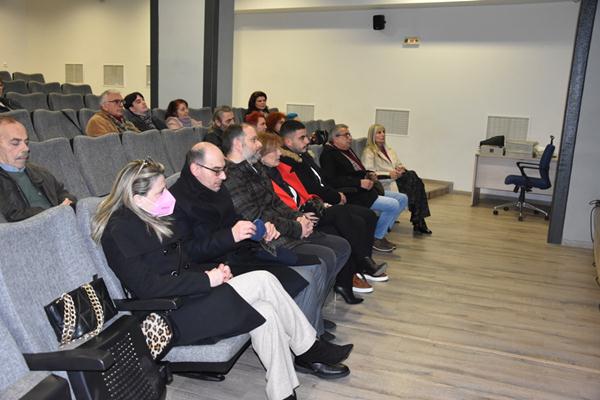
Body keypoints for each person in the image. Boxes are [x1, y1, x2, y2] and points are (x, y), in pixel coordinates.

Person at [92, 159, 353, 400]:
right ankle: (309, 348)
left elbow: (182, 262)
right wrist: (207, 280)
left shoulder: (149, 216)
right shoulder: (119, 232)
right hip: (167, 315)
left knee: (267, 311)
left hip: (188, 299)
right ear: (137, 199)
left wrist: (213, 272)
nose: (168, 197)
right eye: (160, 192)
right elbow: (147, 287)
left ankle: (283, 393)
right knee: (263, 280)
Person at [170, 142, 328, 329]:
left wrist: (257, 228)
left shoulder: (215, 187)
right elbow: (188, 252)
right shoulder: (175, 202)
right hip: (218, 268)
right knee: (302, 279)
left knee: (313, 266)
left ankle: (311, 333)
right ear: (196, 169)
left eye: (224, 169)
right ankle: (307, 337)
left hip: (242, 253)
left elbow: (234, 219)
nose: (224, 176)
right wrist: (231, 235)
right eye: (217, 171)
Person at [222, 123, 351, 338]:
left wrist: (299, 217)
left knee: (342, 247)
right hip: (266, 242)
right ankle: (310, 333)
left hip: (283, 229)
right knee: (324, 258)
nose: (259, 144)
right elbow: (255, 217)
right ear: (237, 144)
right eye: (254, 140)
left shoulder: (254, 167)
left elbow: (276, 203)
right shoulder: (231, 177)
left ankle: (311, 313)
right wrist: (297, 227)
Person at [258, 131, 389, 303]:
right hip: (296, 222)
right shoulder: (264, 177)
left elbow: (304, 193)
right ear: (260, 154)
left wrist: (318, 203)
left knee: (351, 223)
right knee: (342, 216)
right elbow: (277, 207)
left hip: (308, 212)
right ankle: (361, 265)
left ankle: (350, 277)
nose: (279, 153)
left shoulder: (283, 168)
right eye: (274, 150)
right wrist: (301, 215)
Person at [319, 124, 408, 252]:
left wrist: (368, 174)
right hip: (352, 193)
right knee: (392, 205)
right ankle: (376, 238)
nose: (350, 138)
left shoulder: (346, 150)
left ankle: (379, 231)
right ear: (335, 138)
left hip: (365, 189)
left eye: (349, 134)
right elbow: (332, 180)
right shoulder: (328, 155)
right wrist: (358, 182)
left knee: (402, 198)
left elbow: (356, 171)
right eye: (346, 135)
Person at [0, 116, 76, 221]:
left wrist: (67, 204)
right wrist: (53, 213)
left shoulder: (40, 172)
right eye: (15, 143)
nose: (26, 148)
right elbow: (13, 216)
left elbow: (62, 193)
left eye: (26, 142)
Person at [362, 124, 432, 234]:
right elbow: (369, 172)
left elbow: (399, 164)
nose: (383, 135)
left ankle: (418, 219)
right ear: (372, 135)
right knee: (414, 182)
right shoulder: (369, 152)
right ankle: (418, 220)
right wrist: (388, 174)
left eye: (384, 132)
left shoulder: (390, 150)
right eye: (379, 132)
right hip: (384, 181)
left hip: (396, 178)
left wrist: (401, 169)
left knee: (413, 178)